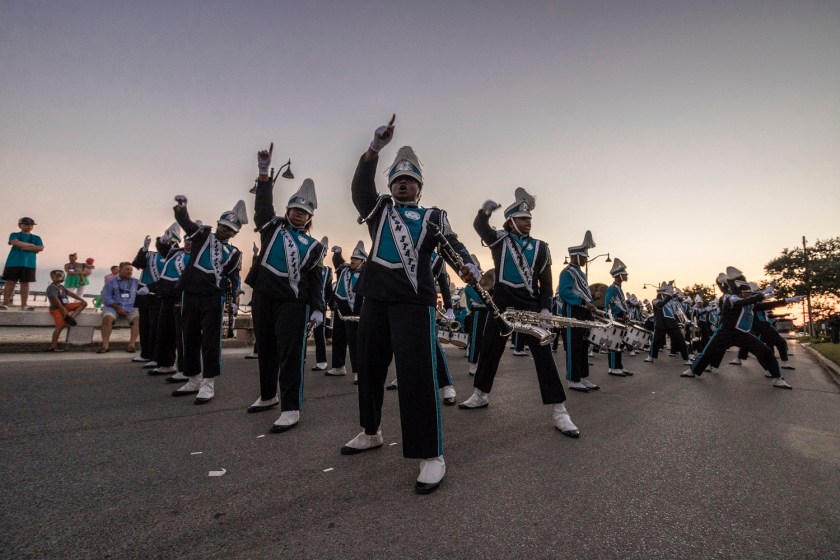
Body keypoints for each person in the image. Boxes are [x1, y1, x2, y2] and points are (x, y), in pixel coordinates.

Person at [340, 116, 480, 494]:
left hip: (413, 303)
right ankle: (370, 431)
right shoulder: (379, 209)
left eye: (410, 179)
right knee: (368, 369)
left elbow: (453, 246)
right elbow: (359, 188)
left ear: (419, 187)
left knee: (417, 377)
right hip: (374, 299)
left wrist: (468, 265)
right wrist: (374, 148)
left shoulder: (433, 216)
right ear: (391, 185)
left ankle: (431, 454)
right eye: (398, 179)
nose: (403, 183)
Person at [458, 189, 579, 437]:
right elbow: (480, 227)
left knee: (544, 356)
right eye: (523, 218)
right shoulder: (500, 240)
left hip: (530, 306)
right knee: (489, 349)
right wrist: (485, 212)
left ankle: (560, 410)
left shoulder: (542, 248)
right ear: (511, 220)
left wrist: (546, 307)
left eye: (530, 219)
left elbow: (546, 284)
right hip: (500, 304)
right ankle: (480, 394)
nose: (528, 222)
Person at [245, 145, 325, 433]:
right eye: (295, 209)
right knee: (265, 348)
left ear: (309, 217)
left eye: (304, 212)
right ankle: (268, 395)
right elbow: (262, 207)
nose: (299, 215)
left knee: (291, 354)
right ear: (288, 209)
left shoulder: (315, 246)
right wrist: (264, 172)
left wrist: (318, 309)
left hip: (293, 302)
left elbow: (317, 280)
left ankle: (291, 408)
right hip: (263, 296)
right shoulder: (272, 227)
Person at [170, 196, 244, 404]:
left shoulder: (235, 253)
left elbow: (232, 278)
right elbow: (187, 223)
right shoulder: (203, 235)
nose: (225, 230)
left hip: (213, 298)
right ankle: (193, 378)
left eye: (230, 229)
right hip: (191, 293)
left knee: (211, 342)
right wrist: (182, 210)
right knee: (189, 337)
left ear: (235, 233)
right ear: (218, 224)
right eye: (223, 226)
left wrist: (233, 298)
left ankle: (208, 382)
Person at [682, 267, 794, 389]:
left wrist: (787, 300)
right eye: (747, 292)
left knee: (765, 351)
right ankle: (692, 371)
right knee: (708, 352)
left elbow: (765, 305)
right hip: (725, 332)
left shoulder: (749, 300)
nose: (749, 294)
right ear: (741, 292)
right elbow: (741, 303)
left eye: (750, 293)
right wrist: (764, 293)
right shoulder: (731, 298)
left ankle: (777, 378)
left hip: (742, 333)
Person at [557, 231, 599, 392]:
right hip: (572, 312)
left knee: (583, 346)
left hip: (583, 312)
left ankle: (583, 376)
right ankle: (573, 379)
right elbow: (565, 292)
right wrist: (583, 302)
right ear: (575, 257)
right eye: (584, 257)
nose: (586, 259)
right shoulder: (567, 272)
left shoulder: (580, 273)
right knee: (573, 345)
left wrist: (592, 305)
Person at [132, 226, 178, 367]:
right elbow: (137, 264)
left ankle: (154, 356)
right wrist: (144, 249)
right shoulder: (150, 255)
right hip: (143, 294)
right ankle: (145, 353)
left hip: (157, 294)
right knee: (144, 326)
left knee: (155, 328)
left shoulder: (173, 258)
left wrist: (151, 287)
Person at [149, 230, 192, 378]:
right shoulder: (175, 252)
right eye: (186, 240)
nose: (188, 243)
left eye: (192, 241)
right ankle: (166, 364)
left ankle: (185, 369)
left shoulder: (198, 255)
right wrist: (162, 241)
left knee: (182, 334)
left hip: (182, 296)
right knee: (164, 330)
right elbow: (162, 249)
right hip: (166, 295)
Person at [326, 241, 366, 382]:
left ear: (363, 261)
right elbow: (338, 262)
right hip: (341, 309)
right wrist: (338, 252)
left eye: (356, 259)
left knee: (356, 343)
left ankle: (359, 372)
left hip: (356, 312)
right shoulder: (344, 270)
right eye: (352, 258)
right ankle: (338, 366)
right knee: (338, 339)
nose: (352, 261)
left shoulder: (367, 273)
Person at [644, 281, 691, 366]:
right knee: (656, 342)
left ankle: (686, 359)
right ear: (661, 293)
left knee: (681, 340)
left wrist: (677, 297)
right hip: (660, 324)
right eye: (665, 293)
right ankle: (651, 356)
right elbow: (661, 304)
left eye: (667, 293)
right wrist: (670, 296)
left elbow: (678, 310)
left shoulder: (671, 302)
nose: (667, 294)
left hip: (672, 323)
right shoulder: (655, 300)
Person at [1, 217, 43, 310]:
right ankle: (5, 304)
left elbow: (40, 248)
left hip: (29, 264)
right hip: (13, 263)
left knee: (25, 284)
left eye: (31, 225)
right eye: (26, 224)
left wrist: (22, 247)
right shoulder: (14, 234)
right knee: (10, 283)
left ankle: (24, 305)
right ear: (20, 225)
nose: (29, 226)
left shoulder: (36, 237)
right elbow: (14, 242)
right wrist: (31, 245)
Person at [98, 262, 140, 353]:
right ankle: (105, 346)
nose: (129, 271)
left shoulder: (136, 282)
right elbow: (106, 298)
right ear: (120, 270)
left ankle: (131, 345)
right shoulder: (111, 282)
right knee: (107, 319)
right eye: (127, 269)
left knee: (138, 320)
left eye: (131, 270)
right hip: (113, 307)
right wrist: (117, 308)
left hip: (130, 307)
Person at [604, 258, 633, 376]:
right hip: (615, 319)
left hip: (620, 320)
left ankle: (618, 366)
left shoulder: (618, 288)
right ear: (619, 275)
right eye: (625, 274)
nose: (627, 275)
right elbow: (608, 304)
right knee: (614, 343)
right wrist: (621, 313)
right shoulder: (612, 288)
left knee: (619, 344)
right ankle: (613, 367)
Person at [46, 269, 87, 351]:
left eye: (62, 275)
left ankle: (71, 318)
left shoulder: (61, 286)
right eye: (59, 276)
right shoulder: (51, 288)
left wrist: (81, 299)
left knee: (84, 304)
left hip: (66, 305)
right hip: (56, 309)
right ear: (53, 277)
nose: (62, 277)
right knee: (60, 326)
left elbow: (70, 293)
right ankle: (53, 346)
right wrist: (64, 313)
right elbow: (56, 301)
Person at [310, 236, 333, 372]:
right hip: (307, 303)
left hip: (320, 305)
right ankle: (302, 357)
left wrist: (329, 303)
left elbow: (329, 290)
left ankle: (322, 361)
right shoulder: (310, 266)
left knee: (320, 334)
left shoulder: (328, 271)